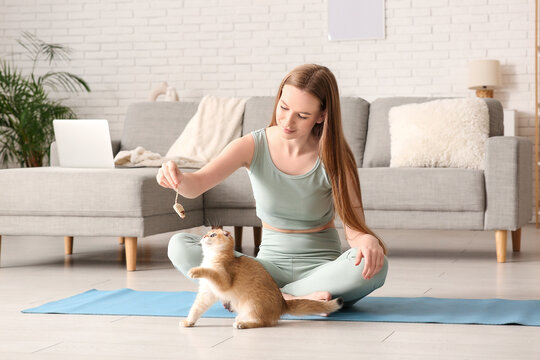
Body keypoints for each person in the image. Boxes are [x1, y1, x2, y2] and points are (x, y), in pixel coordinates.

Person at [157, 64, 388, 305]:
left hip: (321, 272)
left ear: (322, 115)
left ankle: (266, 296)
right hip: (263, 270)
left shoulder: (336, 156)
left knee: (377, 266)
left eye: (302, 115)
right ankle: (289, 298)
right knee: (180, 246)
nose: (288, 121)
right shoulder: (252, 145)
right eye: (284, 107)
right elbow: (196, 185)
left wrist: (367, 241)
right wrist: (176, 178)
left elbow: (354, 230)